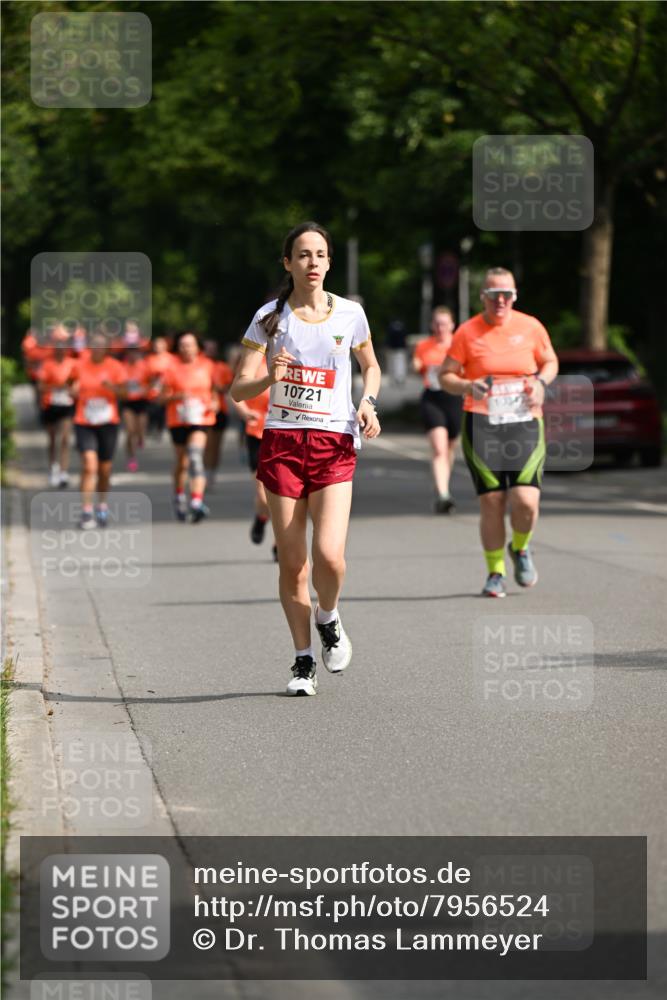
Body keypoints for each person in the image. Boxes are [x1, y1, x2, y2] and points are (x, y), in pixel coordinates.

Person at [231, 221, 381, 696]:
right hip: (282, 444)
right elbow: (238, 389)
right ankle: (302, 661)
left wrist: (367, 401)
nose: (312, 263)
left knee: (330, 558)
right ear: (288, 263)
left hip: (334, 442)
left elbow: (370, 366)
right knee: (293, 565)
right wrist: (269, 378)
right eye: (302, 255)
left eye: (320, 254)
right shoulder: (269, 319)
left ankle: (329, 615)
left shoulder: (350, 314)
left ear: (329, 262)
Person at [440, 267, 558, 597]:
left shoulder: (531, 326)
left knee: (525, 501)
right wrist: (466, 384)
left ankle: (520, 548)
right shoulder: (467, 332)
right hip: (482, 424)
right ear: (484, 298)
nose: (501, 301)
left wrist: (540, 382)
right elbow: (444, 376)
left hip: (523, 422)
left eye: (507, 294)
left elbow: (550, 362)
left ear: (515, 296)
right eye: (494, 295)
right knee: (492, 501)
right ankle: (495, 572)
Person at [69, 331, 126, 529]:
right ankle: (86, 511)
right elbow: (71, 384)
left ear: (107, 349)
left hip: (108, 422)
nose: (97, 349)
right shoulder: (79, 365)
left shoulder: (115, 367)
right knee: (89, 466)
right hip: (84, 421)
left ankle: (101, 505)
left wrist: (112, 388)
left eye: (101, 346)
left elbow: (124, 393)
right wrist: (73, 390)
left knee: (104, 469)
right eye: (94, 345)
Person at [161, 331, 217, 523]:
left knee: (195, 456)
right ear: (178, 348)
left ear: (197, 347)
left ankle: (196, 501)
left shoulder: (208, 366)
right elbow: (161, 397)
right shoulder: (171, 368)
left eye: (190, 344)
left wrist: (215, 403)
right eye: (183, 345)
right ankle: (178, 495)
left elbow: (216, 390)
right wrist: (176, 397)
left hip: (201, 418)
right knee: (182, 463)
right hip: (177, 419)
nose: (187, 348)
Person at [413, 306, 462, 513]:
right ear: (432, 325)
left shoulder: (459, 345)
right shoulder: (425, 345)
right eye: (437, 323)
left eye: (445, 323)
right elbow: (416, 364)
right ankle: (443, 495)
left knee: (450, 447)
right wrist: (417, 366)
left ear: (452, 325)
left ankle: (442, 484)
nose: (441, 327)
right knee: (439, 448)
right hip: (432, 398)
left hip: (455, 399)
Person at [230, 356, 276, 557]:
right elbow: (236, 393)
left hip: (285, 435)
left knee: (288, 494)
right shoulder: (253, 361)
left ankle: (280, 543)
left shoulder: (295, 358)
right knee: (264, 495)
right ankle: (261, 518)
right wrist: (246, 413)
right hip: (257, 433)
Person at [36, 324, 76, 486]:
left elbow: (78, 383)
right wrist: (56, 387)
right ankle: (54, 467)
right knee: (53, 439)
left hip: (67, 405)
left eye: (63, 349)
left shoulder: (73, 364)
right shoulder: (47, 364)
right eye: (57, 350)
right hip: (50, 405)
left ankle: (64, 472)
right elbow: (40, 386)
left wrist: (72, 389)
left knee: (65, 438)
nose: (60, 352)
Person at [202, 341, 234, 488]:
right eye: (208, 349)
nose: (210, 351)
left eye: (213, 349)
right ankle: (204, 472)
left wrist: (220, 388)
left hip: (221, 410)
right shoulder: (200, 366)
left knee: (216, 446)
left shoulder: (223, 367)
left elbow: (230, 386)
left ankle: (212, 473)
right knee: (207, 445)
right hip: (205, 409)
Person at [120, 343, 149, 471]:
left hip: (142, 401)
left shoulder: (144, 367)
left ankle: (141, 438)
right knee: (130, 430)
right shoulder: (122, 367)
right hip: (128, 403)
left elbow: (152, 382)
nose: (132, 355)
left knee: (140, 429)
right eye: (130, 353)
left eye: (135, 353)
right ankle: (131, 457)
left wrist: (146, 389)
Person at [145, 336, 172, 438]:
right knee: (152, 410)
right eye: (156, 345)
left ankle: (160, 429)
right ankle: (151, 428)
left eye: (160, 345)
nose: (158, 347)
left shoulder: (171, 359)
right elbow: (144, 375)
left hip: (167, 390)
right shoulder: (149, 359)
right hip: (153, 390)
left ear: (165, 346)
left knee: (163, 411)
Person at [386, 317, 408, 385]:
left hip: (392, 349)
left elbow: (388, 338)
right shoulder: (402, 327)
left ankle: (393, 379)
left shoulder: (391, 327)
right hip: (401, 349)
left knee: (392, 365)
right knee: (400, 365)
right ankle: (400, 379)